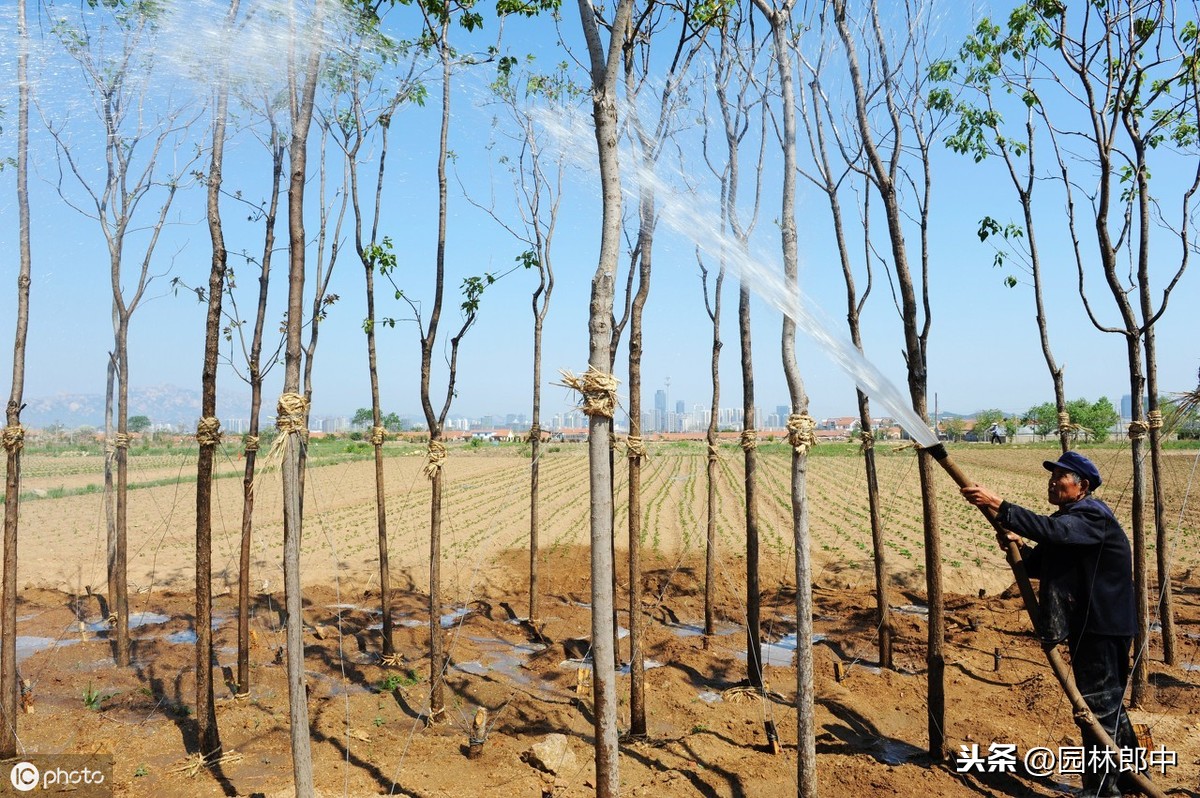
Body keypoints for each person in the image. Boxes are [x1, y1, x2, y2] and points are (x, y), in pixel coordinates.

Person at [961, 451, 1139, 798]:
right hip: (1090, 625)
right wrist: (1018, 548)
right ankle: (1132, 775)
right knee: (1107, 704)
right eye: (1051, 476)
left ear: (1082, 486)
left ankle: (1103, 790)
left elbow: (1053, 530)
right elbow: (1039, 563)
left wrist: (997, 502)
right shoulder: (1069, 524)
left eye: (1061, 477)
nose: (1053, 482)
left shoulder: (1091, 516)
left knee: (1097, 706)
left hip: (1103, 626)